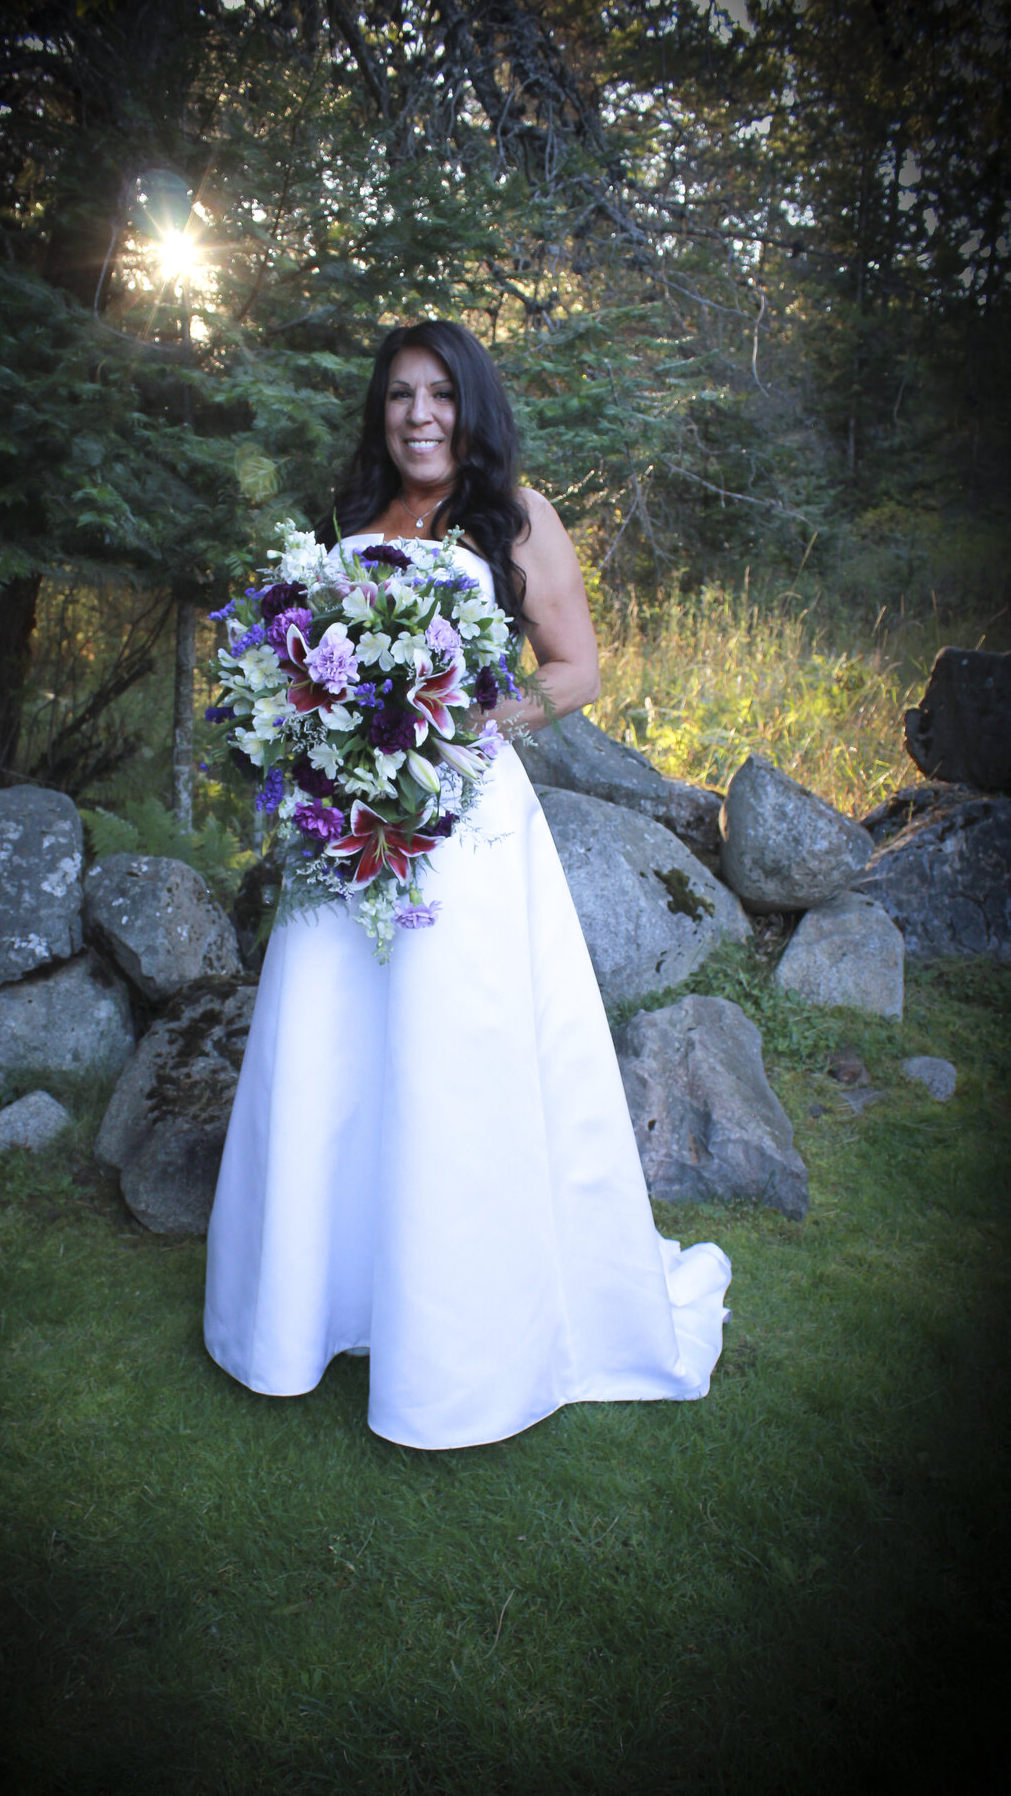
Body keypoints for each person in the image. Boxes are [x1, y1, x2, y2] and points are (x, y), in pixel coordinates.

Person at [203, 320, 730, 1450]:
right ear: (378, 413)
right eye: (398, 396)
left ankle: (466, 1330)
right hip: (343, 831)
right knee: (332, 1048)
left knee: (455, 1054)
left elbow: (576, 668)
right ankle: (320, 1303)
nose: (419, 416)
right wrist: (312, 724)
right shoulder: (349, 522)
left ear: (470, 404)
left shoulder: (516, 518)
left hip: (464, 824)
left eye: (439, 394)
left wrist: (475, 720)